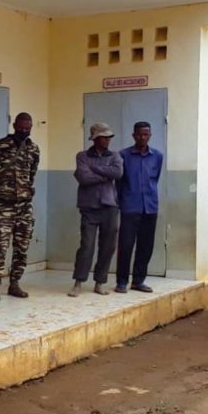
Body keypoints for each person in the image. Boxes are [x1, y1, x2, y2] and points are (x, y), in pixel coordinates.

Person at [0, 112, 40, 302]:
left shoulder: (33, 149)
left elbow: (32, 174)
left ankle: (15, 283)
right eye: (21, 127)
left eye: (28, 128)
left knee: (22, 246)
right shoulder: (1, 146)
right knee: (0, 246)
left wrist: (24, 191)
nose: (24, 131)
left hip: (25, 206)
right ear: (14, 125)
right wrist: (3, 191)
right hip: (5, 205)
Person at [70, 122, 124, 297]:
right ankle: (78, 281)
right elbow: (83, 178)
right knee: (87, 245)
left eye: (109, 137)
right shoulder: (82, 156)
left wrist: (95, 169)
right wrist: (105, 174)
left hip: (110, 206)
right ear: (95, 139)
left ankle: (100, 282)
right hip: (89, 207)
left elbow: (118, 173)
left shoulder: (115, 156)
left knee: (108, 246)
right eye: (103, 137)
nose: (107, 140)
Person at [116, 122, 163, 293]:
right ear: (133, 135)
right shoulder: (123, 155)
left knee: (146, 246)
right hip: (130, 207)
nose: (142, 137)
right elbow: (119, 182)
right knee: (126, 245)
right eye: (139, 134)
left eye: (145, 134)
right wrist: (121, 203)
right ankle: (122, 282)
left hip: (150, 207)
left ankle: (138, 281)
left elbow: (155, 179)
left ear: (150, 135)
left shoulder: (157, 156)